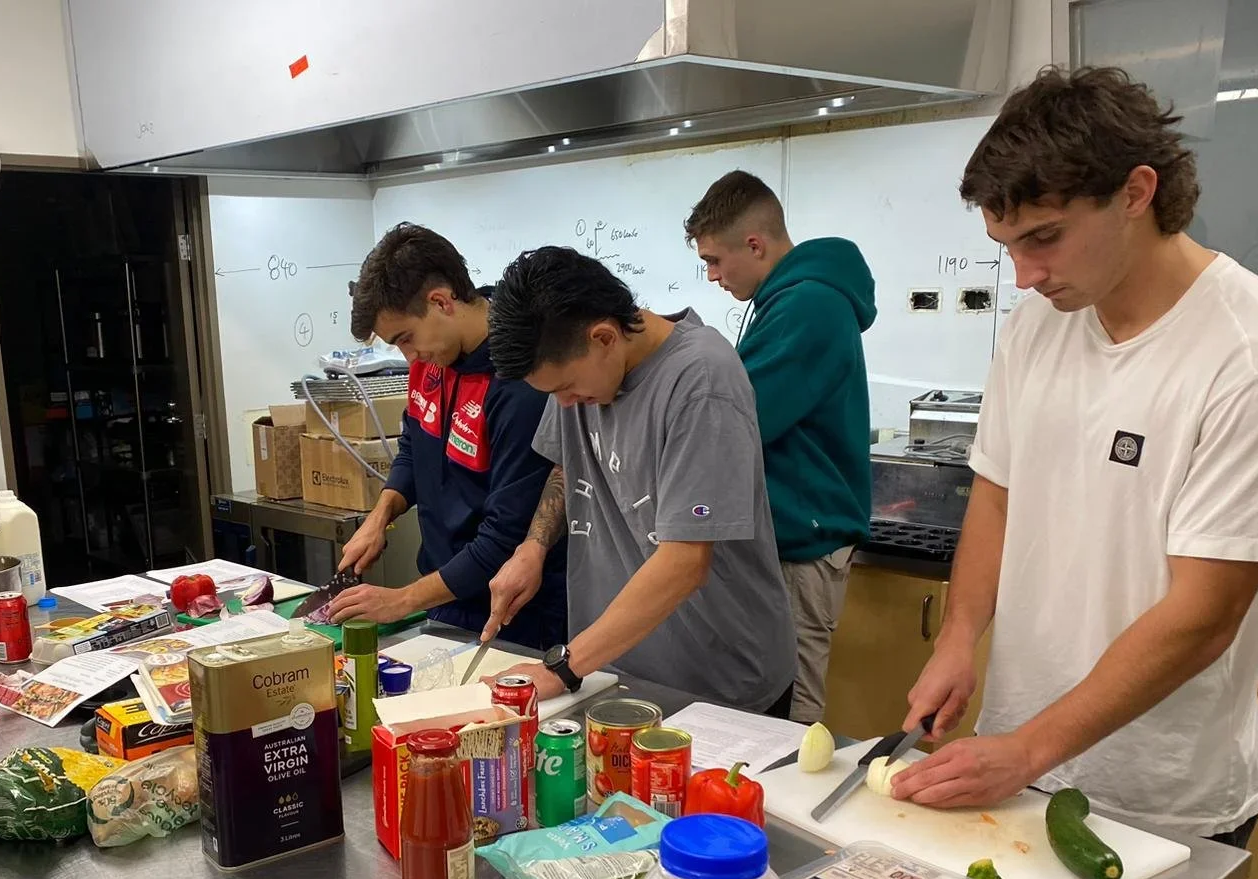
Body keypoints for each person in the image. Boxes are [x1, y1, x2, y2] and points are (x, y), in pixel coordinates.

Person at [889, 67, 1258, 879]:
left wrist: (1029, 747)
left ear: (1137, 191)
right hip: (1019, 767)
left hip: (1160, 796)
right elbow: (996, 492)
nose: (1025, 276)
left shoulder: (1254, 354)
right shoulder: (1041, 323)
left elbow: (1204, 615)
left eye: (1046, 239)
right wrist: (959, 636)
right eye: (1009, 246)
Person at [481, 245, 795, 713]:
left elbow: (686, 559)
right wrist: (534, 547)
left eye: (565, 388)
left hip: (716, 686)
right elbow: (568, 465)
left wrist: (564, 667)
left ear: (605, 337)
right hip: (614, 672)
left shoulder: (701, 380)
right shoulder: (576, 373)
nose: (564, 403)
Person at [685, 171, 877, 722]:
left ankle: (783, 806)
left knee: (790, 705)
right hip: (789, 540)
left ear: (755, 244)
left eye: (716, 261)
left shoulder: (808, 305)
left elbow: (740, 419)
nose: (713, 276)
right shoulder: (788, 301)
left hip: (801, 545)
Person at [329, 223, 568, 650]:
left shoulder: (520, 382)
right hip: (444, 601)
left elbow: (503, 540)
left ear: (441, 301)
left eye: (405, 338)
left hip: (513, 617)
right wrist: (380, 517)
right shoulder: (431, 362)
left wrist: (401, 600)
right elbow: (414, 446)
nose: (409, 356)